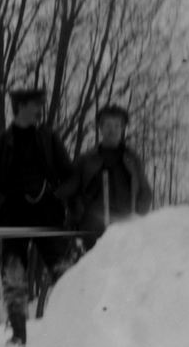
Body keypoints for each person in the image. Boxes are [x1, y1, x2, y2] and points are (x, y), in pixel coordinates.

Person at [0, 87, 76, 347]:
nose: (40, 109)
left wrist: (57, 198)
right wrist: (0, 203)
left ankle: (73, 333)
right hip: (12, 218)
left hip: (48, 217)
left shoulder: (49, 138)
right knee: (14, 278)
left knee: (68, 273)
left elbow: (70, 176)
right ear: (20, 106)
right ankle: (18, 335)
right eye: (35, 104)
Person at [60, 104, 153, 250]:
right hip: (94, 228)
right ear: (100, 127)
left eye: (117, 125)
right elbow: (72, 190)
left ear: (123, 129)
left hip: (125, 225)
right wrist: (79, 213)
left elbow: (145, 191)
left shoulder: (132, 159)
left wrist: (138, 217)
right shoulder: (86, 159)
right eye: (108, 125)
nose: (113, 130)